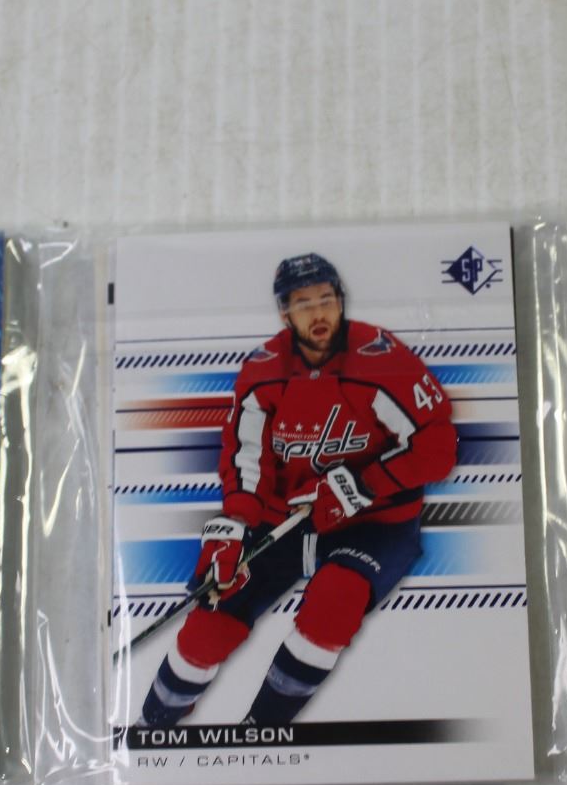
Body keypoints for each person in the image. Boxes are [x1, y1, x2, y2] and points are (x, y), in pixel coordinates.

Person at [138, 253, 458, 726]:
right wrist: (234, 525)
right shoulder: (264, 370)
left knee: (334, 603)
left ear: (341, 301)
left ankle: (262, 729)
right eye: (304, 304)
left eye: (326, 299)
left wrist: (365, 484)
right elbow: (247, 456)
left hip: (372, 522)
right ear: (284, 313)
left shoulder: (383, 360)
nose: (318, 313)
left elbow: (438, 445)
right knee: (209, 625)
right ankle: (152, 725)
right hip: (284, 519)